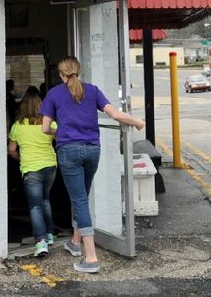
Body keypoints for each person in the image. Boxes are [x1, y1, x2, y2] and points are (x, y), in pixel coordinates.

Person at [40, 56, 145, 274]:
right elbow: (115, 114)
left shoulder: (54, 94)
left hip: (69, 151)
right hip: (92, 150)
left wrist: (57, 132)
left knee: (79, 200)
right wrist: (136, 122)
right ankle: (75, 243)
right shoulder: (93, 90)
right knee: (82, 197)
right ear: (79, 72)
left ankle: (91, 257)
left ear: (61, 75)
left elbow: (44, 128)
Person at [8, 89, 57, 257]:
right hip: (50, 165)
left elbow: (12, 150)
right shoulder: (49, 123)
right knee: (45, 200)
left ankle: (41, 241)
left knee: (35, 206)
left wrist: (20, 156)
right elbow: (61, 138)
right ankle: (50, 234)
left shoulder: (17, 126)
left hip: (30, 168)